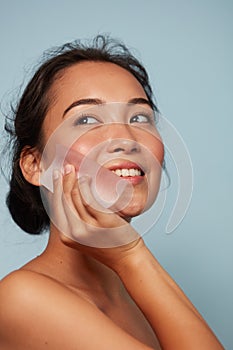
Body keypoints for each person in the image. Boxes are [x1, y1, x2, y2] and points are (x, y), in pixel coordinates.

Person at [0, 35, 223, 350]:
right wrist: (133, 256)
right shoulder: (22, 298)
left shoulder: (144, 303)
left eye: (139, 117)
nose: (125, 137)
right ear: (35, 164)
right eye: (87, 119)